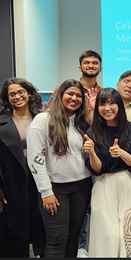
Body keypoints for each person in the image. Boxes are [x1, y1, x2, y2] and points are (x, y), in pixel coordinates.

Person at [26, 79, 92, 258]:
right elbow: (35, 159)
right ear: (60, 95)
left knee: (73, 238)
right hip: (55, 190)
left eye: (79, 95)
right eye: (70, 94)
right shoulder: (43, 120)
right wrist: (46, 192)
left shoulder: (82, 122)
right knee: (56, 241)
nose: (74, 98)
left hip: (81, 187)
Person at [84, 88, 131, 257]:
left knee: (128, 232)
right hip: (103, 184)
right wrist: (92, 153)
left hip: (129, 182)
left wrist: (121, 153)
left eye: (111, 103)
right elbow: (97, 169)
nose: (107, 108)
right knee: (107, 235)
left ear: (119, 105)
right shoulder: (92, 132)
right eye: (102, 104)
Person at [0, 78, 45, 257]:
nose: (17, 97)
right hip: (11, 184)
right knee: (14, 236)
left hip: (39, 181)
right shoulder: (2, 121)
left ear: (28, 93)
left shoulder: (41, 118)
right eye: (12, 94)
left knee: (41, 230)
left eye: (20, 92)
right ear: (6, 98)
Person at [46, 50, 103, 123]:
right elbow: (49, 114)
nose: (91, 66)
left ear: (100, 69)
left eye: (95, 63)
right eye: (86, 63)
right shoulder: (62, 89)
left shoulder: (103, 93)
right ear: (80, 68)